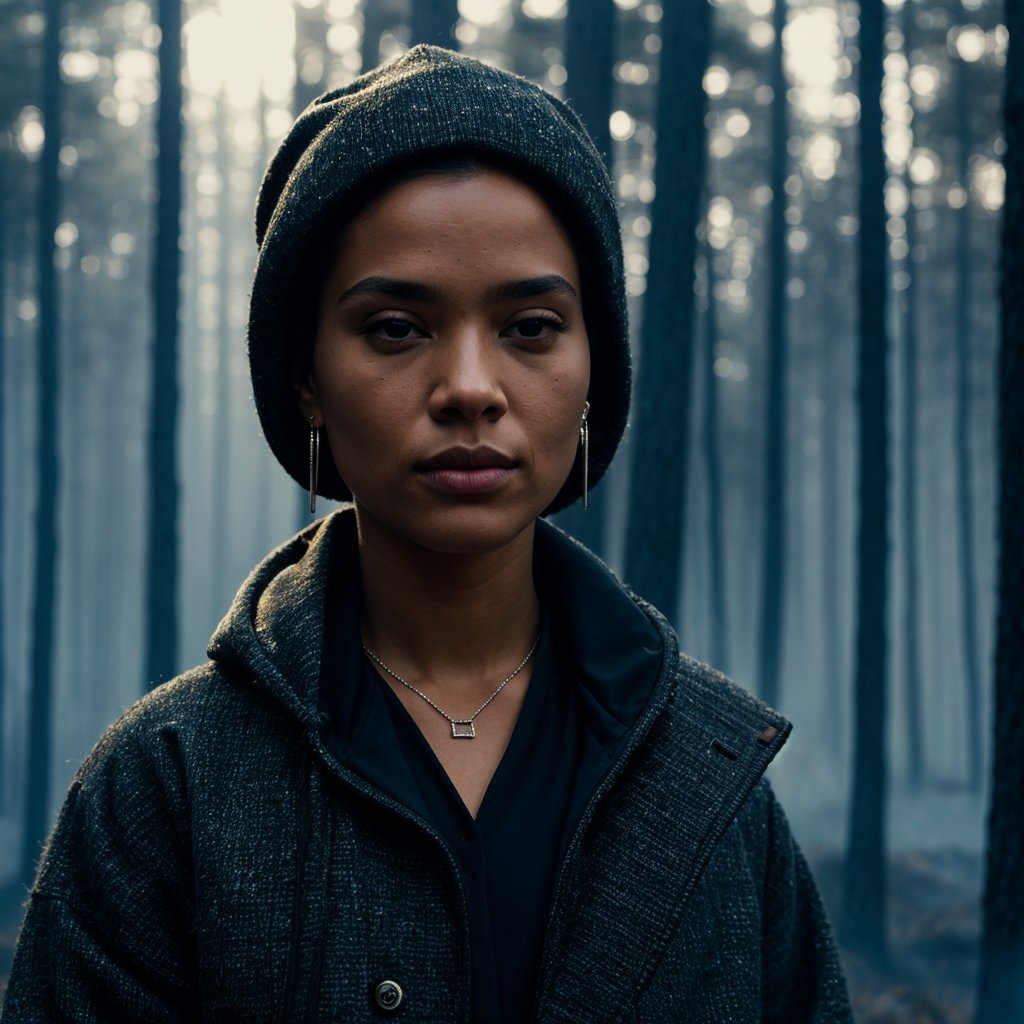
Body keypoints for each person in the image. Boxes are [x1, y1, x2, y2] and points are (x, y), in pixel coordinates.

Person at [1, 45, 851, 1023]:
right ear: (306, 379)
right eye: (397, 328)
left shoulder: (710, 785)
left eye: (530, 326)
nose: (471, 389)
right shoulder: (168, 788)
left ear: (593, 373)